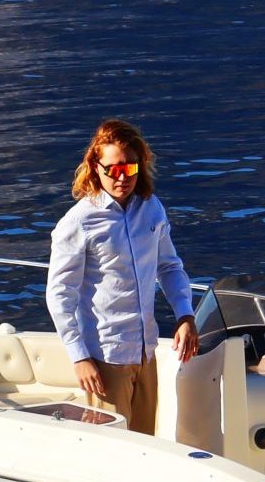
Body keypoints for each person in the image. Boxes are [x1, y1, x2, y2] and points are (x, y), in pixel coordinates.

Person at [45, 118, 199, 435]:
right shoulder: (78, 222)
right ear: (95, 166)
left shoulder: (152, 208)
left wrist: (185, 315)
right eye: (113, 169)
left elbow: (169, 266)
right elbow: (60, 295)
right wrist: (80, 358)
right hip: (105, 359)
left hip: (145, 354)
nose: (122, 178)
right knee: (113, 453)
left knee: (146, 445)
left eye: (130, 168)